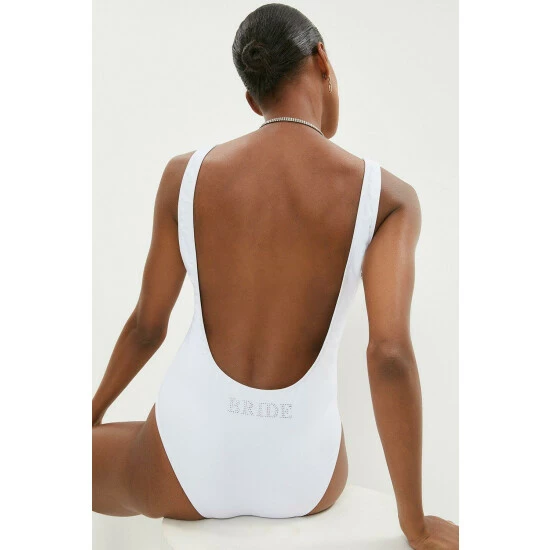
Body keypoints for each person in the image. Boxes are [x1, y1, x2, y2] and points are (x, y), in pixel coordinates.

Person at [92, 3, 458, 549]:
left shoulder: (185, 176)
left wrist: (92, 412)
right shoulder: (388, 198)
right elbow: (389, 354)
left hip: (185, 462)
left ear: (252, 99)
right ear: (322, 59)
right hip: (307, 476)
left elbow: (147, 326)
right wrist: (416, 524)